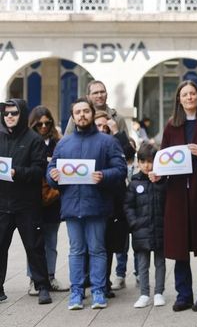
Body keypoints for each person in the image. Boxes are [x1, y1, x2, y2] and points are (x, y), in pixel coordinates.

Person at [48, 97, 127, 310]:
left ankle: (99, 292)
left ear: (92, 113)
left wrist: (104, 175)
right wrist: (52, 175)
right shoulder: (63, 143)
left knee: (98, 250)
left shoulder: (107, 142)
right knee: (76, 251)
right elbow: (51, 171)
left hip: (97, 205)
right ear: (73, 117)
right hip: (72, 206)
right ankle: (76, 292)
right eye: (78, 112)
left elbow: (121, 170)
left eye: (85, 111)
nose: (82, 115)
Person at [153, 80, 197, 312]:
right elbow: (163, 157)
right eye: (185, 94)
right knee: (179, 247)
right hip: (177, 195)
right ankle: (183, 295)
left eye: (192, 93)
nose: (189, 98)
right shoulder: (172, 125)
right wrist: (156, 173)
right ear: (179, 99)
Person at [0, 99, 53, 305]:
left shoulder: (34, 139)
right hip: (2, 204)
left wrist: (16, 172)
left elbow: (39, 170)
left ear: (22, 114)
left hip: (27, 205)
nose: (10, 116)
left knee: (34, 246)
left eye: (14, 113)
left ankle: (42, 286)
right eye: (6, 114)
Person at [26, 106, 68, 294]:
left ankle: (50, 276)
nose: (43, 126)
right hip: (32, 199)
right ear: (33, 124)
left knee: (51, 241)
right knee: (34, 243)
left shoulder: (59, 142)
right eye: (39, 123)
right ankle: (34, 280)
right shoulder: (27, 141)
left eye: (47, 123)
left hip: (53, 199)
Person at [124, 144, 167, 308]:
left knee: (160, 263)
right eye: (143, 161)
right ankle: (144, 294)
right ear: (138, 162)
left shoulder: (162, 181)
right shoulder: (134, 183)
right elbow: (128, 206)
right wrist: (134, 223)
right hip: (141, 231)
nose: (147, 165)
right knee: (142, 265)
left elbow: (168, 201)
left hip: (159, 228)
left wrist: (160, 181)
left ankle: (158, 292)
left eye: (150, 161)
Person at [94, 111, 131, 298]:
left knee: (110, 244)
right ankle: (93, 281)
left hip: (114, 201)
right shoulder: (90, 143)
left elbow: (130, 155)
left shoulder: (115, 141)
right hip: (93, 199)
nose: (102, 129)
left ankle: (106, 281)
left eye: (105, 126)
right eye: (98, 126)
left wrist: (116, 132)